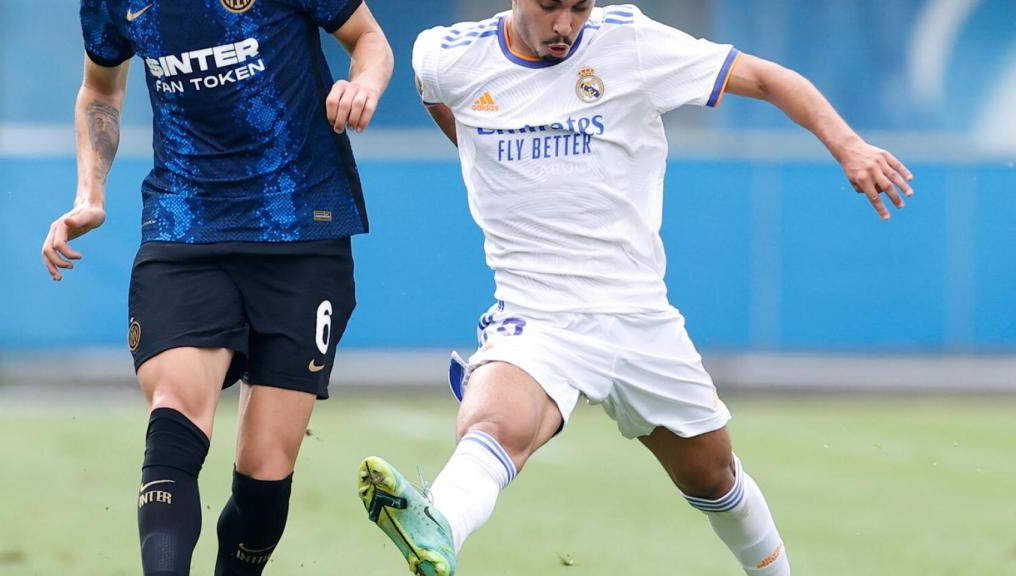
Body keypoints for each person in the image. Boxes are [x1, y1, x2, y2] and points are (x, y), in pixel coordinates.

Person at [357, 1, 914, 575]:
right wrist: (478, 154)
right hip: (536, 313)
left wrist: (849, 145)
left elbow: (771, 79)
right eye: (550, 6)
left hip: (637, 317)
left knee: (715, 479)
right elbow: (434, 91)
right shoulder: (448, 54)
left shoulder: (631, 44)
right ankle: (438, 526)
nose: (565, 24)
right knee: (497, 425)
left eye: (579, 6)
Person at [41, 1, 392, 574]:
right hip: (186, 226)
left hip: (302, 230)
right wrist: (90, 194)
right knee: (175, 413)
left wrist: (365, 83)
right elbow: (100, 89)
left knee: (265, 474)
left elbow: (370, 39)